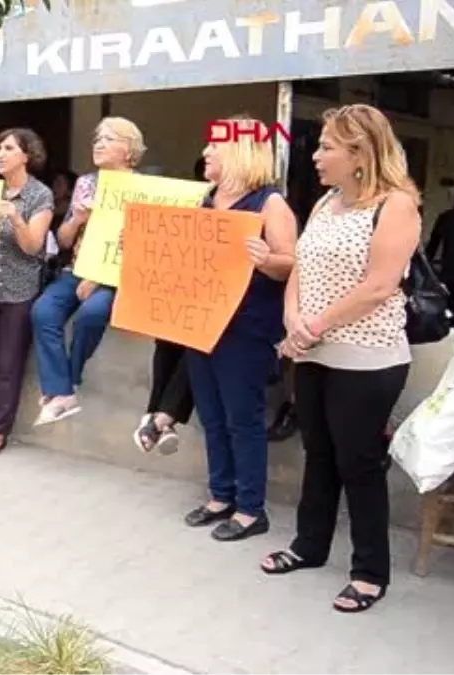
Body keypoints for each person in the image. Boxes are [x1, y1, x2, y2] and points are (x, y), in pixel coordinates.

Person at [262, 105, 421, 613]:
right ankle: (310, 546)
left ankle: (370, 571)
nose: (316, 155)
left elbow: (379, 286)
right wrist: (293, 320)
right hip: (312, 351)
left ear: (360, 154)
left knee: (359, 463)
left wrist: (315, 324)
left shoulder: (397, 205)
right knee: (319, 454)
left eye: (327, 146)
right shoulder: (326, 204)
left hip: (369, 359)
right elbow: (300, 268)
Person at [184, 116, 298, 543]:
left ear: (239, 151)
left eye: (214, 145)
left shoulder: (270, 203)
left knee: (242, 419)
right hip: (203, 321)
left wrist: (266, 258)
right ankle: (220, 495)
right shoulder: (206, 199)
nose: (207, 153)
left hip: (246, 327)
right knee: (211, 416)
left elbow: (291, 263)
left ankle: (251, 509)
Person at [31, 117, 144, 424]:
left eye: (108, 139)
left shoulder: (142, 188)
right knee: (43, 312)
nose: (99, 144)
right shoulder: (85, 183)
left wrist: (97, 278)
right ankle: (62, 392)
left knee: (92, 314)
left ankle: (66, 383)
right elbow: (65, 239)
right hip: (77, 267)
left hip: (114, 276)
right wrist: (78, 218)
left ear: (129, 149)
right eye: (97, 138)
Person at [0, 128, 54, 457]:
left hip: (20, 289)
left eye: (8, 148)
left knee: (8, 362)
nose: (0, 154)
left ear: (27, 155)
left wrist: (16, 217)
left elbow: (33, 246)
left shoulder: (40, 195)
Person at [134, 157, 210, 455]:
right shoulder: (199, 202)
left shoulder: (247, 204)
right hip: (186, 292)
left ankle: (159, 418)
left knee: (194, 347)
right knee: (166, 340)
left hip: (215, 301)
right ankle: (159, 420)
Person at [427, 187, 454, 327]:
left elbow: (433, 245)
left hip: (451, 272)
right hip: (452, 271)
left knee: (453, 306)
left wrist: (427, 268)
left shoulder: (446, 217)